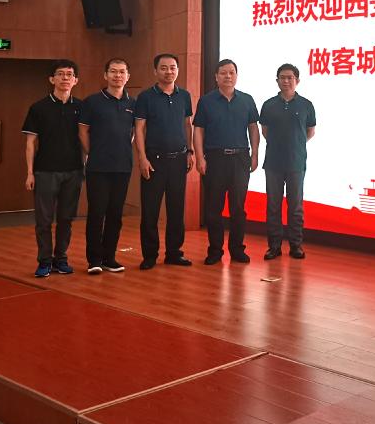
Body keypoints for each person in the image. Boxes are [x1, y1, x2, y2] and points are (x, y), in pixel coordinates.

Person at [193, 59, 259, 265]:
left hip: (240, 158)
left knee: (238, 208)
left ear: (236, 76)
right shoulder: (206, 101)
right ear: (216, 77)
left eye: (231, 72)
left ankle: (237, 249)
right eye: (223, 73)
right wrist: (199, 156)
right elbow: (198, 130)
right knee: (214, 208)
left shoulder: (247, 100)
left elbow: (253, 128)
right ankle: (215, 251)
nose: (228, 76)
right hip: (215, 159)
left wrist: (255, 154)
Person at [22, 59, 84, 277]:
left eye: (69, 74)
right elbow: (30, 143)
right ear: (52, 79)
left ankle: (61, 259)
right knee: (44, 220)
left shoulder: (81, 107)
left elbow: (86, 139)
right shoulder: (38, 107)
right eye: (60, 74)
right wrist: (30, 173)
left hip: (74, 171)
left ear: (75, 80)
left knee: (66, 219)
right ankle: (44, 261)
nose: (65, 78)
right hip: (45, 171)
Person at [134, 53, 194, 270]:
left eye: (173, 67)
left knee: (176, 210)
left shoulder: (184, 95)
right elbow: (139, 128)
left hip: (179, 160)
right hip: (154, 161)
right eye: (164, 68)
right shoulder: (145, 97)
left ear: (177, 70)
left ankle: (174, 253)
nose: (169, 71)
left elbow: (187, 125)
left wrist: (190, 151)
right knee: (150, 211)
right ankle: (150, 255)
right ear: (155, 71)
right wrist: (142, 158)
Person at [78, 58, 134, 274]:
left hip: (123, 166)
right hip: (98, 167)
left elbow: (134, 132)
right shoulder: (92, 102)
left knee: (115, 214)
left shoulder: (133, 103)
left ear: (127, 76)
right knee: (97, 213)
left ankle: (109, 258)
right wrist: (93, 152)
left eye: (121, 72)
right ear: (105, 75)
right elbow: (83, 131)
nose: (117, 75)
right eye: (113, 71)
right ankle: (94, 260)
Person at [260, 63, 316, 260]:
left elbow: (310, 132)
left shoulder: (306, 105)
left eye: (290, 77)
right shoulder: (268, 105)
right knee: (273, 206)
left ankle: (296, 246)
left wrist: (295, 144)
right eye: (282, 77)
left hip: (296, 163)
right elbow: (265, 131)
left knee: (295, 207)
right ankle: (274, 246)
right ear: (277, 81)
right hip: (273, 163)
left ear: (297, 81)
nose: (286, 81)